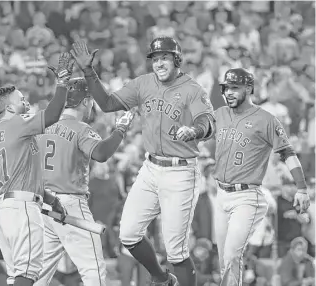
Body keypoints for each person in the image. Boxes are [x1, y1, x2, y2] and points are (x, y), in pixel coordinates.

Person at [71, 37, 216, 286]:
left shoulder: (192, 89)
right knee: (128, 235)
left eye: (165, 58)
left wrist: (195, 131)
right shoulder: (143, 83)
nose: (159, 63)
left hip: (180, 171)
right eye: (155, 58)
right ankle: (161, 278)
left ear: (177, 59)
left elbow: (208, 122)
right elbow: (106, 104)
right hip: (150, 167)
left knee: (176, 250)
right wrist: (88, 71)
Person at [213, 68, 311, 286]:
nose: (228, 92)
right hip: (221, 193)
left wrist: (302, 188)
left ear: (249, 89)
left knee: (232, 254)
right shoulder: (220, 114)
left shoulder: (266, 119)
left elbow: (288, 153)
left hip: (247, 194)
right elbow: (201, 131)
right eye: (226, 88)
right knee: (224, 260)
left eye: (234, 87)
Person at [34, 77, 135, 286]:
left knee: (40, 272)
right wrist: (120, 130)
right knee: (93, 269)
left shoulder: (43, 126)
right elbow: (101, 153)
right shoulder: (80, 128)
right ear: (86, 101)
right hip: (69, 205)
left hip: (42, 205)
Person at [0, 52, 73, 286]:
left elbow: (19, 176)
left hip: (7, 208)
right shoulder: (17, 123)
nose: (24, 99)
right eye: (19, 98)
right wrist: (62, 84)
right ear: (8, 108)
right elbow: (54, 114)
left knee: (16, 276)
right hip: (23, 208)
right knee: (27, 275)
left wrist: (49, 198)